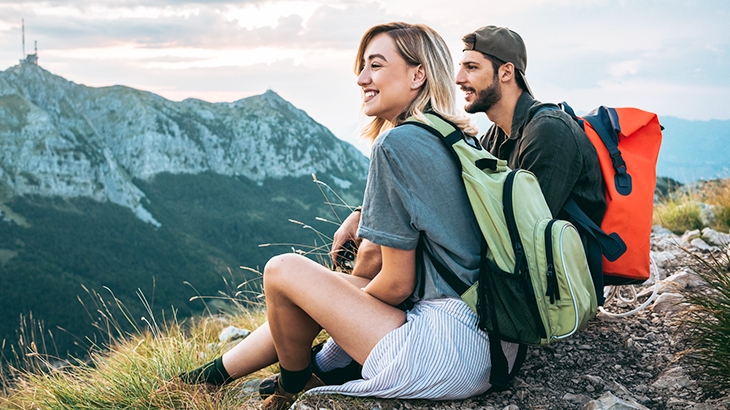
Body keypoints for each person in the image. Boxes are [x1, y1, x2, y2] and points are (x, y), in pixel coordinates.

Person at [173, 22, 520, 409]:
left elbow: (397, 284)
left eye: (375, 65)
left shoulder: (398, 142)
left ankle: (293, 384)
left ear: (417, 74)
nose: (361, 79)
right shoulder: (456, 137)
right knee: (318, 292)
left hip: (447, 350)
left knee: (282, 270)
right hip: (493, 344)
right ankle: (207, 377)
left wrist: (336, 318)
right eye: (362, 66)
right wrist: (335, 304)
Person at [455, 25, 606, 224]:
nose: (458, 79)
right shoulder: (495, 136)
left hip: (568, 255)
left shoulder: (549, 130)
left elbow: (528, 228)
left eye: (472, 67)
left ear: (506, 72)